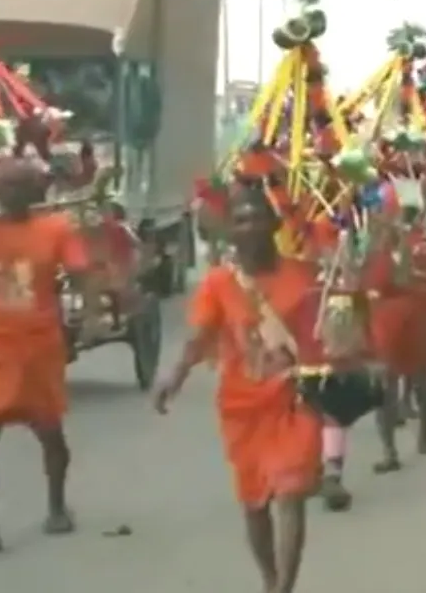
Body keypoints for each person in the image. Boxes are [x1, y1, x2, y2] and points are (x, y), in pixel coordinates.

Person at [154, 182, 324, 593]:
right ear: (231, 231)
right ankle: (270, 579)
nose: (249, 227)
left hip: (294, 401)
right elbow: (200, 336)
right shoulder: (218, 284)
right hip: (242, 407)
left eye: (257, 217)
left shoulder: (304, 275)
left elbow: (330, 334)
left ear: (273, 224)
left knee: (289, 492)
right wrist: (174, 376)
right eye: (241, 220)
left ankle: (285, 588)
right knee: (255, 504)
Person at [0, 157, 100, 559]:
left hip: (39, 347)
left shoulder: (56, 228)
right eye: (5, 186)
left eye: (20, 186)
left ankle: (56, 505)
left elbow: (82, 273)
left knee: (49, 430)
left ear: (37, 191)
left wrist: (88, 315)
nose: (10, 194)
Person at [365, 211, 426, 473]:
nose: (383, 228)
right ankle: (389, 451)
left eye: (387, 223)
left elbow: (424, 278)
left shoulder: (420, 247)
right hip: (384, 324)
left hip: (415, 318)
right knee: (384, 388)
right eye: (379, 224)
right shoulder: (372, 255)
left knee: (420, 380)